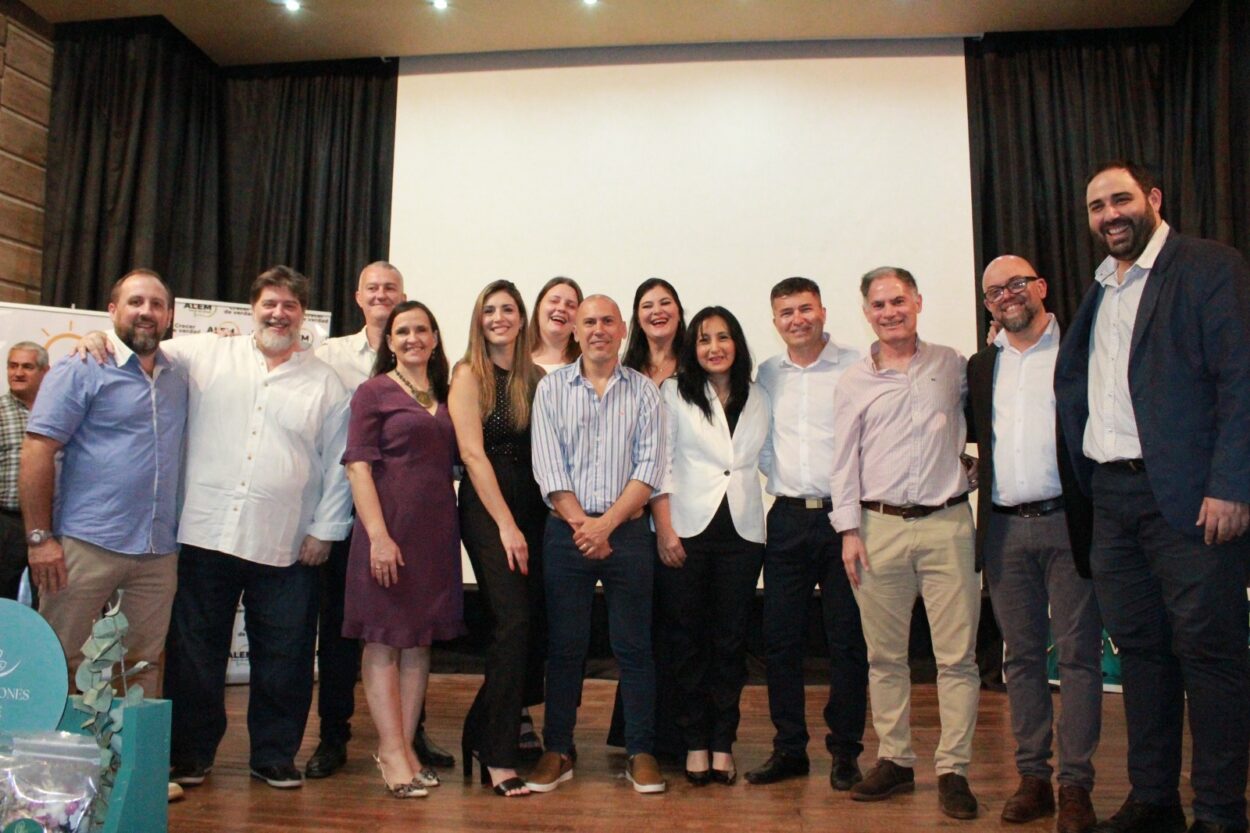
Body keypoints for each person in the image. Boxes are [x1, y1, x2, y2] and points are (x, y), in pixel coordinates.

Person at [1055, 161, 1250, 833]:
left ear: (1153, 200)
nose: (1109, 213)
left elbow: (1240, 380)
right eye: (1096, 205)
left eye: (1120, 199)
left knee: (1211, 655)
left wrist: (1230, 483)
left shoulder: (1208, 267)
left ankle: (1222, 810)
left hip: (1192, 503)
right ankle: (1154, 798)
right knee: (1141, 653)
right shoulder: (1103, 287)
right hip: (1113, 499)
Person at [146, 266, 353, 791]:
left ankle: (274, 755)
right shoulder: (204, 355)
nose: (278, 313)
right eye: (269, 303)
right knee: (195, 653)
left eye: (289, 305)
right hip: (204, 533)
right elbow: (138, 342)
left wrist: (325, 531)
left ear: (303, 316)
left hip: (286, 542)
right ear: (251, 309)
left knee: (284, 655)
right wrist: (96, 344)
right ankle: (191, 755)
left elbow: (339, 464)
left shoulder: (325, 382)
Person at [831, 266, 980, 820]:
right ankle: (895, 759)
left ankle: (954, 770)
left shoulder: (952, 365)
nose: (890, 311)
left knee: (957, 657)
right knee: (885, 656)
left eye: (899, 300)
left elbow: (982, 422)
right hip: (878, 530)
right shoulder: (853, 380)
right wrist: (848, 531)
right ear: (866, 312)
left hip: (946, 525)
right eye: (879, 304)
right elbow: (843, 461)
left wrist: (972, 469)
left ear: (918, 301)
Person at [967, 255, 1102, 833]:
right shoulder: (980, 366)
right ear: (989, 305)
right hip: (1003, 529)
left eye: (1016, 284)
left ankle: (1075, 784)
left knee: (1077, 659)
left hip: (1068, 524)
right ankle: (1033, 778)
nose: (1006, 295)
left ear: (1041, 288)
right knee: (1019, 660)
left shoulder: (1081, 352)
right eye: (995, 291)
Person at [525, 294, 667, 795]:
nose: (599, 329)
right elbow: (548, 467)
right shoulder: (551, 390)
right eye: (590, 321)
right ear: (576, 331)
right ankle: (557, 749)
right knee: (565, 647)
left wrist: (605, 525)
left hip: (626, 533)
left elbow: (649, 470)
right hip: (566, 533)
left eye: (608, 321)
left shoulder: (646, 393)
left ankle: (641, 750)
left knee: (634, 647)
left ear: (623, 330)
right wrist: (583, 524)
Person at [21, 270, 185, 698]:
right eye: (135, 302)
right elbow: (38, 449)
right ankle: (54, 762)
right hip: (85, 544)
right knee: (62, 658)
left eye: (156, 304)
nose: (146, 312)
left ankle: (129, 764)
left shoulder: (179, 375)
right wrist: (40, 539)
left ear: (169, 316)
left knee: (141, 667)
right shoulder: (81, 367)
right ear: (112, 311)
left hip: (156, 552)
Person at [303, 261, 425, 779]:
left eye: (390, 289)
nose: (381, 294)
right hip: (342, 513)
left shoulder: (426, 369)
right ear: (358, 297)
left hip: (405, 518)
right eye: (373, 288)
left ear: (403, 295)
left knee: (408, 629)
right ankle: (334, 737)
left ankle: (406, 740)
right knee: (340, 632)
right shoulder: (327, 356)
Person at [746, 276, 869, 791]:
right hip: (788, 518)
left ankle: (845, 752)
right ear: (775, 322)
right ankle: (789, 748)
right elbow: (765, 438)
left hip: (844, 521)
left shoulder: (856, 366)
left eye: (805, 309)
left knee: (846, 641)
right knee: (781, 641)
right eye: (785, 313)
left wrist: (852, 522)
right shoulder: (767, 373)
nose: (797, 319)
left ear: (822, 310)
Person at [342, 300, 465, 798]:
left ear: (435, 338)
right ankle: (390, 750)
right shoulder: (372, 393)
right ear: (389, 342)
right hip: (387, 533)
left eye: (421, 330)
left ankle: (407, 747)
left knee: (418, 643)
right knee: (383, 639)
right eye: (402, 331)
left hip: (434, 538)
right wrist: (379, 536)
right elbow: (357, 466)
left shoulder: (447, 395)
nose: (413, 338)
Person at [652, 306, 768, 786]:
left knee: (730, 643)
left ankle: (724, 742)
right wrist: (664, 528)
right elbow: (658, 463)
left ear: (736, 343)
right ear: (692, 349)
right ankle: (694, 741)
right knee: (687, 641)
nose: (714, 347)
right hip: (687, 531)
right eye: (703, 339)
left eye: (723, 337)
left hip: (742, 534)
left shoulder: (759, 395)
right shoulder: (674, 392)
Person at [449, 280, 547, 797]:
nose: (500, 317)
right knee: (513, 623)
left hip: (535, 506)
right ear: (478, 318)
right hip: (491, 509)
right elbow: (471, 454)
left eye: (508, 309)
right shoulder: (469, 373)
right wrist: (507, 523)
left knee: (532, 629)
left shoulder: (534, 376)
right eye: (490, 310)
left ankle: (479, 729)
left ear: (521, 317)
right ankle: (500, 756)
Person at [1, 341, 48, 602]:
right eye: (12, 365)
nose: (18, 373)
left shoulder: (58, 412)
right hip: (6, 522)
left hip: (50, 523)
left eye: (27, 367)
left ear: (45, 371)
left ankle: (44, 644)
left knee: (50, 598)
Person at [622, 277, 686, 386]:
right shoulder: (623, 371)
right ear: (638, 319)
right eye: (647, 306)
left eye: (665, 303)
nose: (657, 311)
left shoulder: (697, 364)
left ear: (679, 313)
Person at [528, 277, 583, 373]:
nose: (562, 308)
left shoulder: (587, 365)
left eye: (571, 306)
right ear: (538, 307)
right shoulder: (514, 361)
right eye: (554, 301)